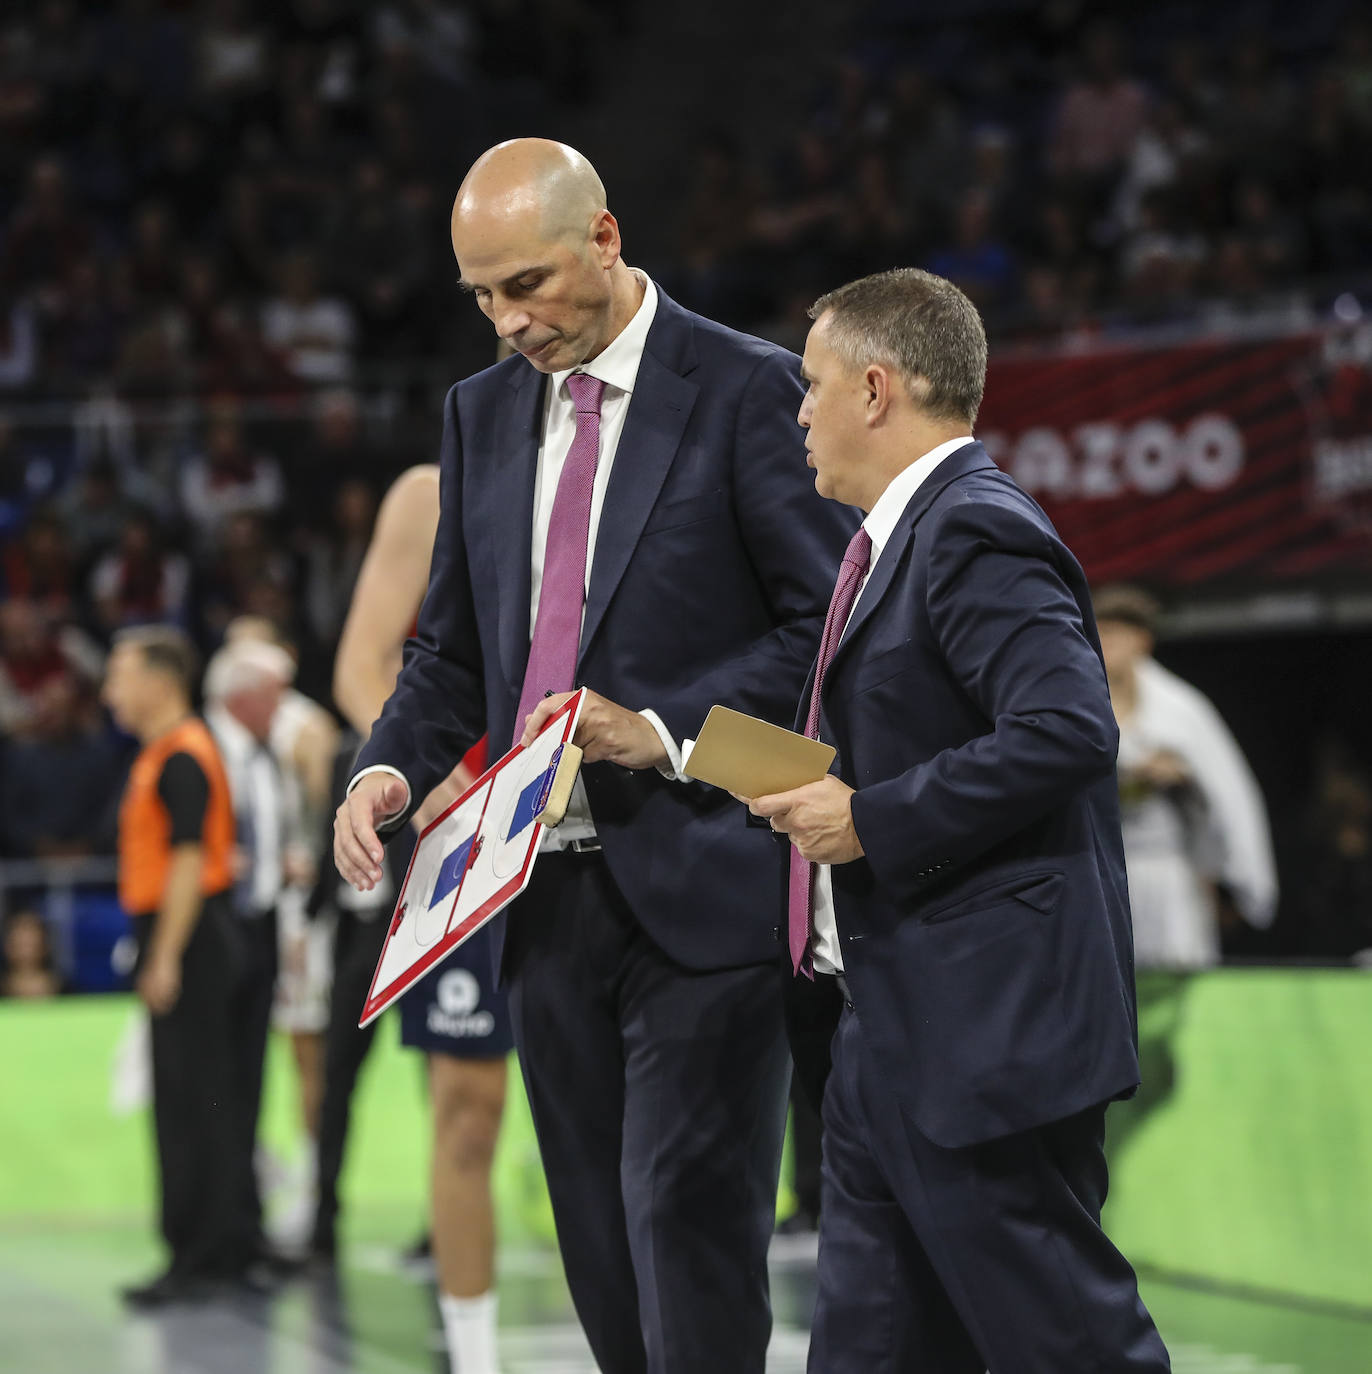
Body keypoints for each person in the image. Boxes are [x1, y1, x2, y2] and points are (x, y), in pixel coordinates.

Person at [334, 138, 854, 1374]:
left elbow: (823, 631)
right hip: (536, 895)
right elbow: (450, 652)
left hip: (708, 879)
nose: (508, 322)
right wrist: (386, 768)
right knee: (602, 1257)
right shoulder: (478, 415)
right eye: (481, 297)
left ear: (605, 238)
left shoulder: (747, 388)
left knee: (685, 1224)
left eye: (526, 285)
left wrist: (661, 733)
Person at [744, 269, 1170, 1372]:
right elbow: (902, 742)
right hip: (886, 1028)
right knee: (869, 1352)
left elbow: (1067, 729)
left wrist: (871, 819)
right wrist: (690, 750)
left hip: (985, 1037)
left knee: (1068, 1345)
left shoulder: (974, 525)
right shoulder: (901, 540)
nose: (799, 412)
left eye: (812, 385)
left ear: (875, 389)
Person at [319, 463, 509, 1374]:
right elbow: (361, 667)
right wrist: (425, 774)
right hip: (466, 835)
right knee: (467, 1111)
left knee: (625, 1116)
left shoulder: (639, 457)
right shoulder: (429, 492)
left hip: (599, 814)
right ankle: (473, 1357)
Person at [101, 625, 248, 1307]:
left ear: (160, 682)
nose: (110, 692)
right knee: (199, 1097)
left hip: (189, 939)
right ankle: (212, 1246)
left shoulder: (181, 754)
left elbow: (189, 861)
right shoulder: (170, 751)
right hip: (191, 934)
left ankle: (198, 1252)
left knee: (190, 1102)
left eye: (120, 676)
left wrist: (162, 956)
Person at [1095, 584, 1277, 969]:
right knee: (1109, 977)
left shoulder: (1181, 710)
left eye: (1115, 633)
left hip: (1170, 870)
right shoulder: (1076, 704)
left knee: (1180, 975)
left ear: (1141, 640)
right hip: (1100, 869)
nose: (1106, 643)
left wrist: (1181, 776)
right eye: (1099, 632)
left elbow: (1228, 795)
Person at [203, 635, 300, 1268]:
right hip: (217, 932)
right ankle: (215, 1235)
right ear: (242, 697)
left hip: (260, 928)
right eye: (275, 695)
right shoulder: (201, 749)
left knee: (249, 1087)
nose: (283, 708)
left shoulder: (265, 756)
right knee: (216, 1091)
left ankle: (246, 1231)